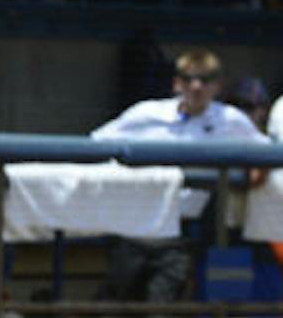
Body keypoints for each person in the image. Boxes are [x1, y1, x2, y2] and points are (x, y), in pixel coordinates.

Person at [91, 49, 267, 304]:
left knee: (163, 304)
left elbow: (266, 152)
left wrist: (255, 174)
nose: (196, 86)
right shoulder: (146, 113)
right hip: (135, 223)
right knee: (123, 299)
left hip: (184, 229)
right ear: (177, 83)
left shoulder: (230, 120)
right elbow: (97, 143)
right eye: (188, 79)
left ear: (216, 86)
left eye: (205, 80)